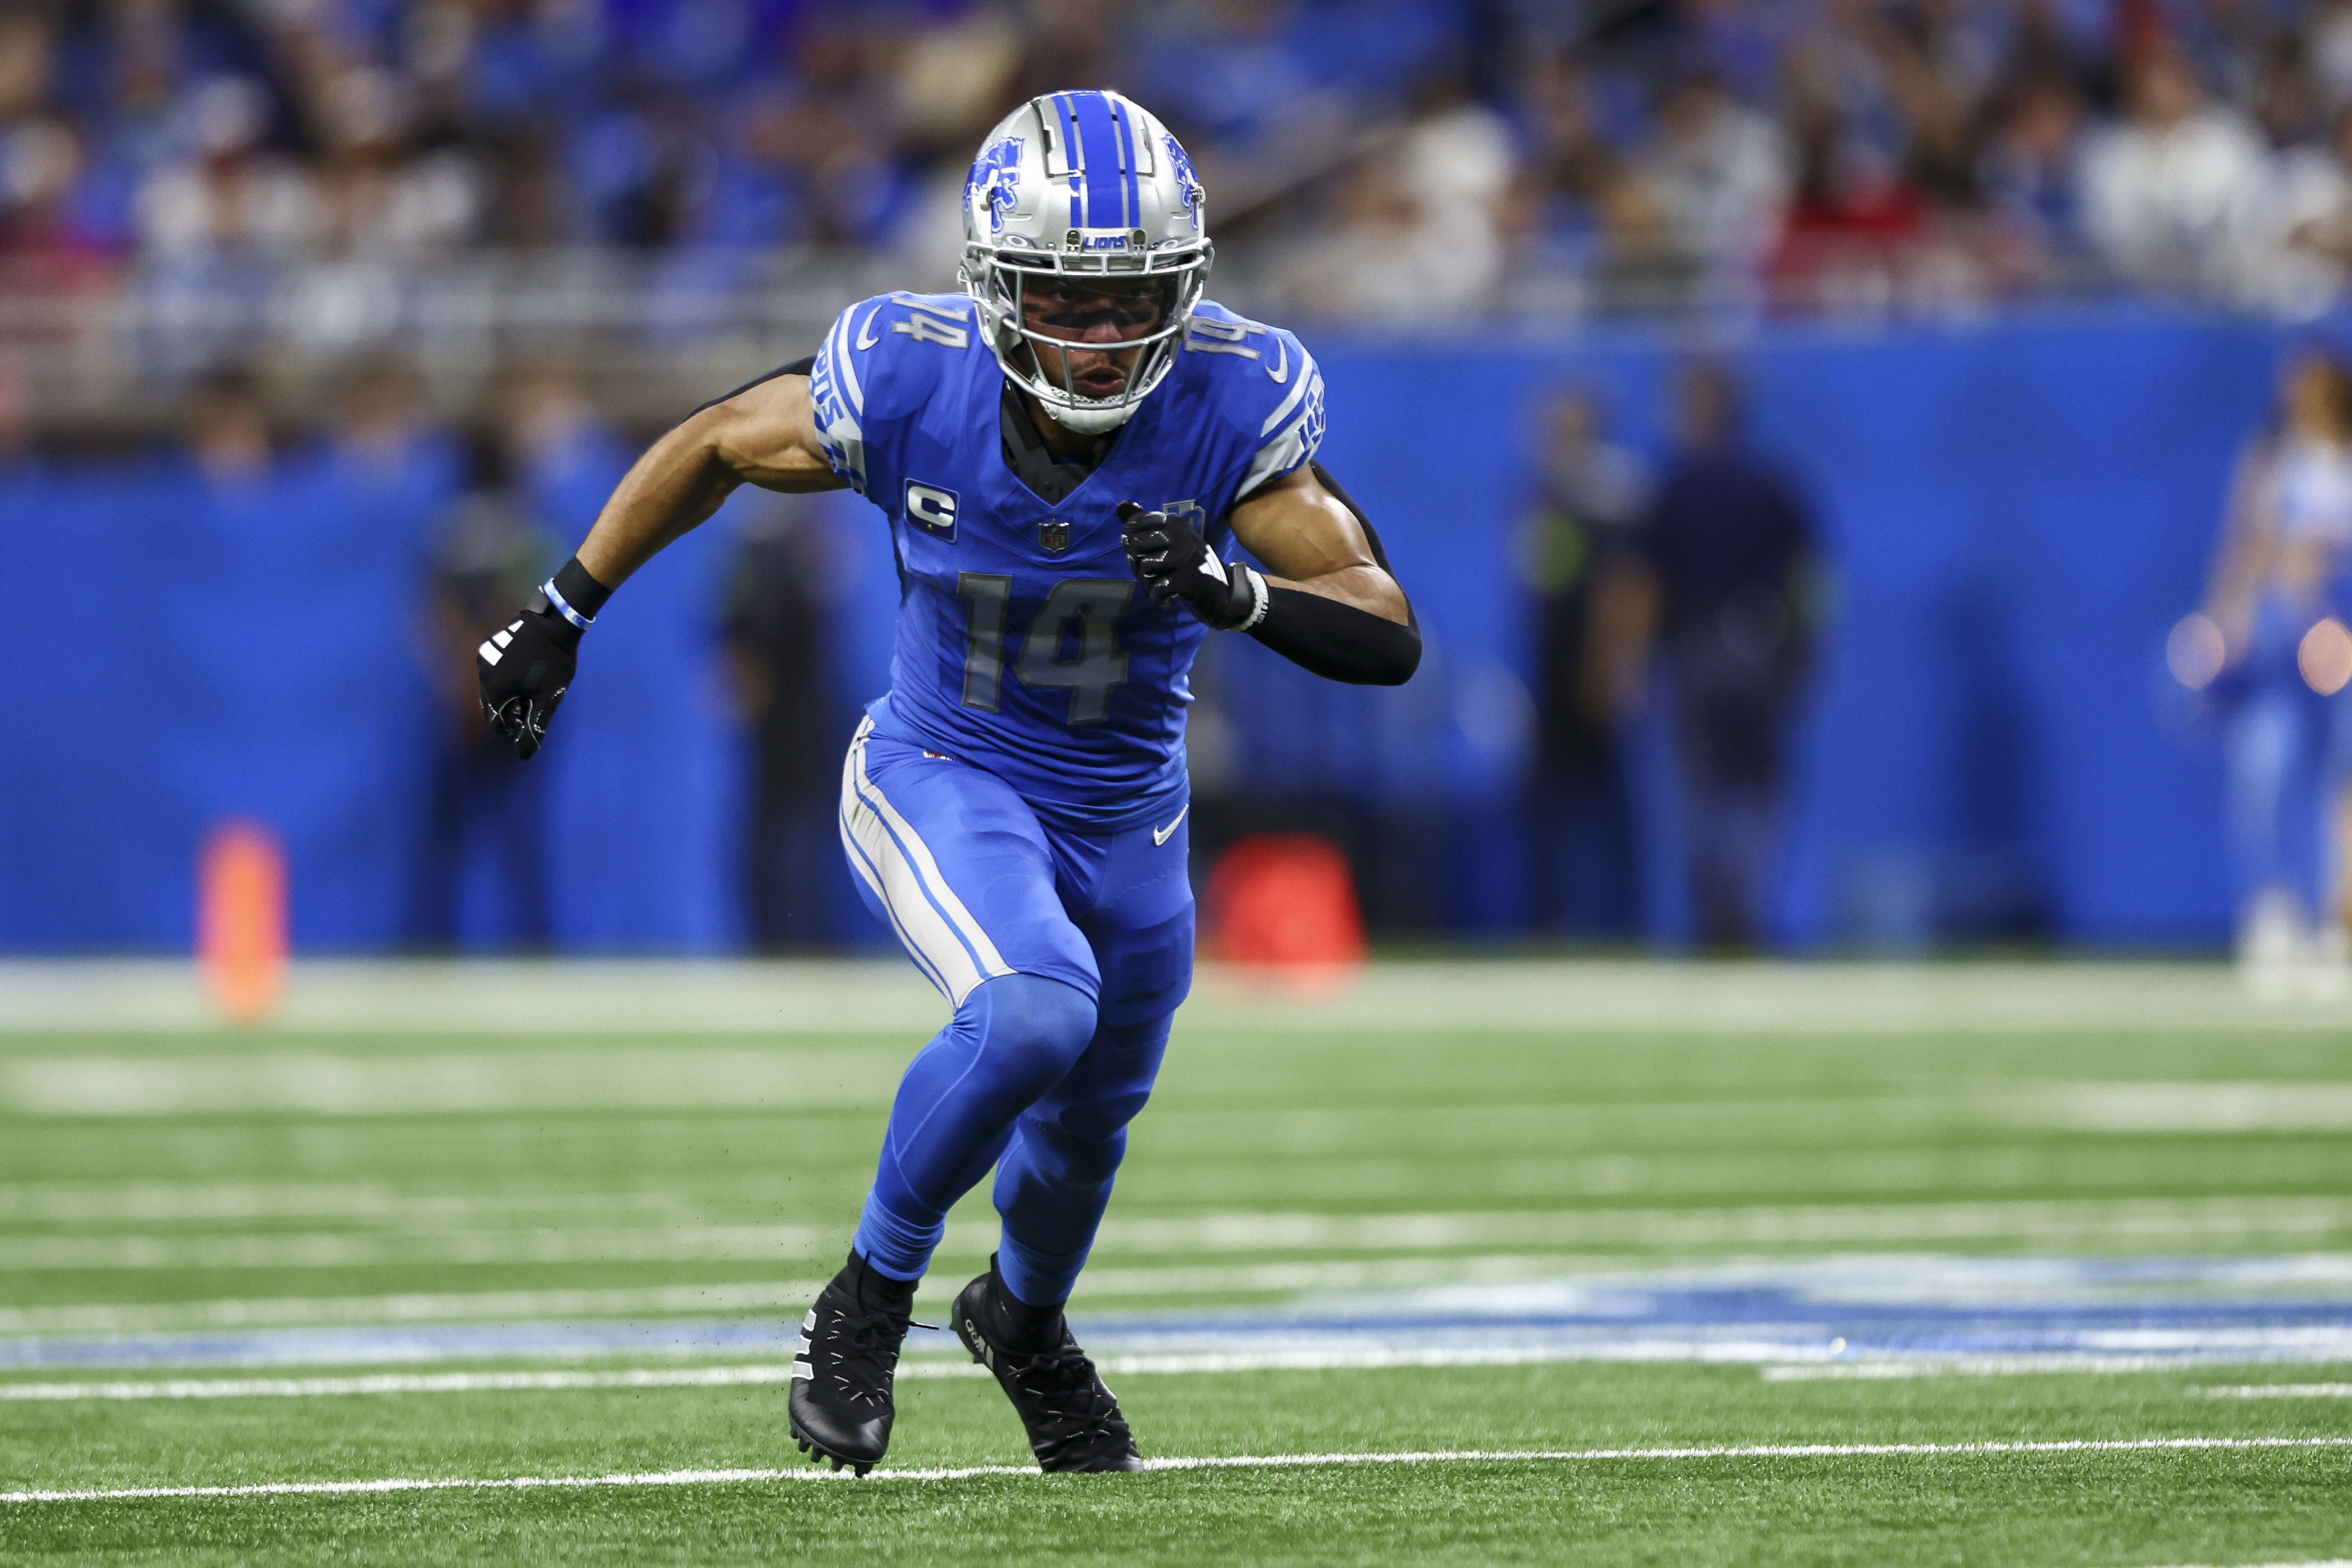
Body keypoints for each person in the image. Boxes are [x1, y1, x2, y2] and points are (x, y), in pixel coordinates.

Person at [471, 91, 1418, 1474]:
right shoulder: (910, 377)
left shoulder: (1228, 399)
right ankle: (866, 1295)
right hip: (940, 765)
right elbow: (719, 442)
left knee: (1088, 1125)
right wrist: (562, 609)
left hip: (1129, 813)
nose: (1101, 342)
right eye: (1064, 302)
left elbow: (1383, 624)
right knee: (1034, 1009)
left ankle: (1023, 1326)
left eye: (1130, 301)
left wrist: (1233, 590)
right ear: (993, 286)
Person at [1631, 362, 1817, 950]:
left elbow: (1645, 583)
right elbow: (1810, 580)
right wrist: (1806, 651)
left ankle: (1720, 913)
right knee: (1760, 789)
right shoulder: (1773, 483)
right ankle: (1747, 907)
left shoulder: (1676, 485)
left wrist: (1630, 659)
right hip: (1759, 644)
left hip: (1698, 646)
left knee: (1704, 789)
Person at [2197, 350, 2352, 994]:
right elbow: (2247, 544)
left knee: (2344, 784)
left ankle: (2339, 921)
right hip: (2283, 645)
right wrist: (2225, 617)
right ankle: (2274, 908)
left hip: (2346, 637)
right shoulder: (2270, 459)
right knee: (2266, 768)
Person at [1515, 389, 1650, 935]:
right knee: (1551, 800)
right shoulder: (1548, 491)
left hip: (1591, 665)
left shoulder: (1609, 494)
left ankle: (1620, 919)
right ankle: (1557, 917)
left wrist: (1612, 664)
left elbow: (1624, 587)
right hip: (1551, 665)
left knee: (1606, 800)